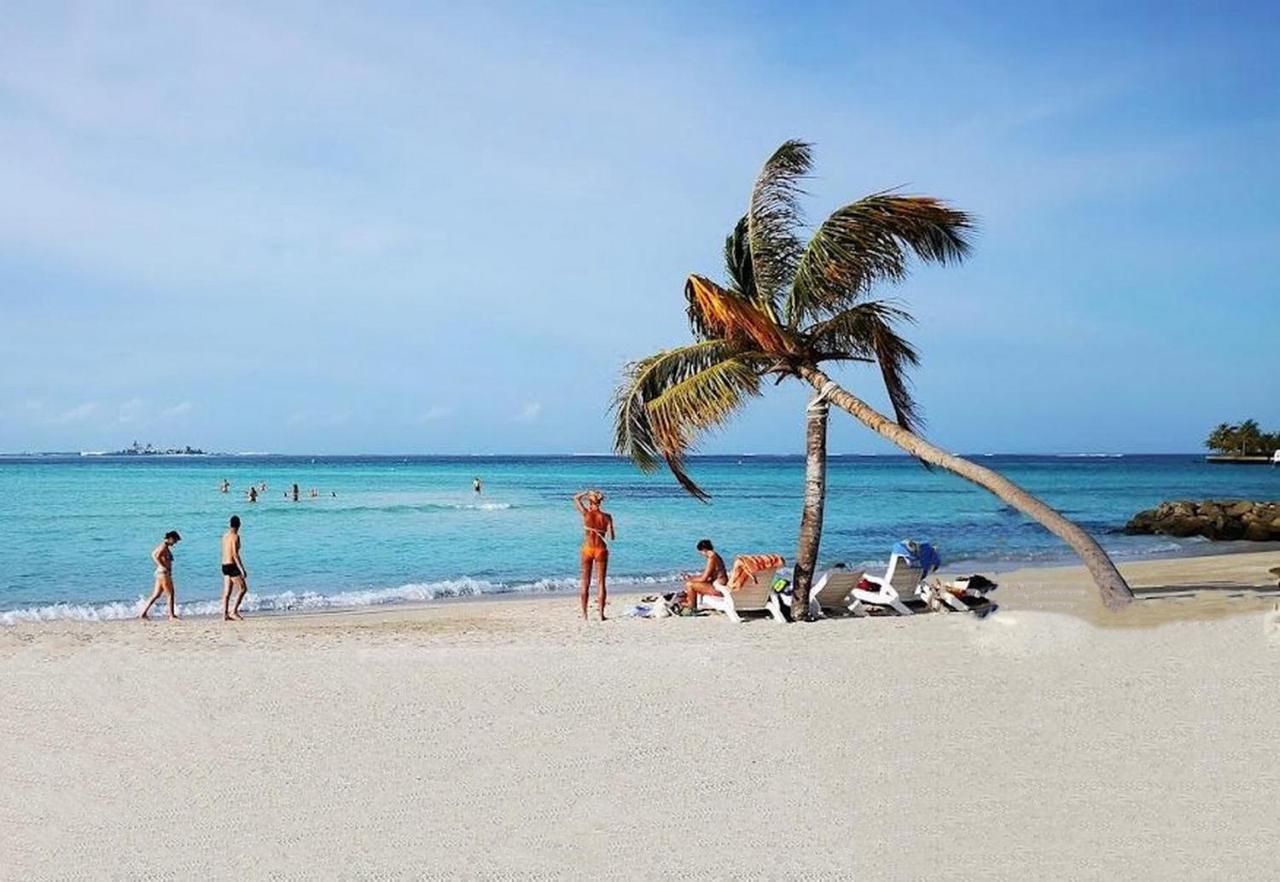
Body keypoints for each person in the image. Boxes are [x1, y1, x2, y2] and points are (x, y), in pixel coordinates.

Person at [574, 489, 615, 621]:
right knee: (601, 583)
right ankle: (601, 614)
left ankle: (585, 614)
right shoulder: (607, 517)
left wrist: (586, 493)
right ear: (601, 502)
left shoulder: (586, 514)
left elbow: (575, 498)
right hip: (600, 550)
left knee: (585, 582)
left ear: (590, 502)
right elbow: (612, 537)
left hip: (587, 549)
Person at [140, 531, 181, 620]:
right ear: (170, 539)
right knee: (170, 594)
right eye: (175, 541)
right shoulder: (163, 547)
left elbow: (153, 554)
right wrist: (163, 566)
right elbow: (155, 556)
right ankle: (171, 615)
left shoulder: (163, 546)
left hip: (161, 573)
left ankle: (143, 613)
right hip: (163, 573)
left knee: (156, 595)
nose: (175, 543)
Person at [683, 539, 728, 613]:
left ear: (704, 550)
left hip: (719, 589)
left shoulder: (712, 557)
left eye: (701, 553)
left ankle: (691, 607)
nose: (702, 555)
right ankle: (691, 605)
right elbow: (709, 576)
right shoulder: (715, 556)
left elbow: (704, 578)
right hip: (719, 586)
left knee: (690, 585)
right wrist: (693, 578)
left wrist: (690, 579)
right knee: (692, 583)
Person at [221, 515, 249, 621]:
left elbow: (225, 551)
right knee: (243, 589)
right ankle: (234, 611)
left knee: (227, 592)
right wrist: (242, 569)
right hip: (232, 565)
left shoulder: (225, 536)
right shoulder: (236, 536)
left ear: (230, 524)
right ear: (239, 525)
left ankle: (225, 614)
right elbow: (235, 554)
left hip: (224, 565)